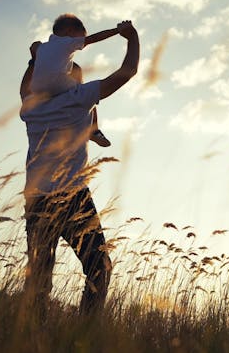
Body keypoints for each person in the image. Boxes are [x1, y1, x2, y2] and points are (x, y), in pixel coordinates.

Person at [18, 19, 140, 317]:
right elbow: (128, 72)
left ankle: (31, 341)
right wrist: (132, 37)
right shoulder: (77, 98)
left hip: (36, 201)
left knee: (38, 279)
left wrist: (36, 58)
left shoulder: (28, 106)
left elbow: (27, 83)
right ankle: (82, 336)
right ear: (71, 79)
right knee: (99, 269)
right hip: (72, 198)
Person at [29, 13, 130, 147]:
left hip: (36, 89)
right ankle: (94, 130)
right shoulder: (67, 42)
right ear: (69, 31)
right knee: (86, 91)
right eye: (80, 37)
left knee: (74, 73)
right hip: (56, 82)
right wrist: (118, 30)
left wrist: (35, 56)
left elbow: (33, 48)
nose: (81, 42)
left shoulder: (41, 47)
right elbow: (94, 38)